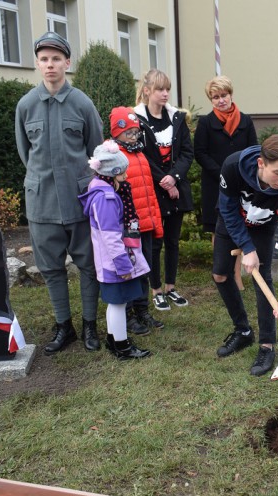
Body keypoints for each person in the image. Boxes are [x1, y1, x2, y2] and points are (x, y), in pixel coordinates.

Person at [15, 31, 103, 354]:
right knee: (51, 267)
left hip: (79, 201)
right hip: (42, 203)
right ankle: (63, 326)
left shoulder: (82, 103)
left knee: (88, 265)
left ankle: (90, 326)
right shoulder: (25, 106)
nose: (50, 65)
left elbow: (96, 152)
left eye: (56, 59)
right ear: (37, 64)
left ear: (67, 62)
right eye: (44, 59)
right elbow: (26, 153)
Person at [212, 135, 278, 376]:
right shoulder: (233, 166)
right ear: (261, 163)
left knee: (262, 278)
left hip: (263, 226)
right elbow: (228, 209)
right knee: (220, 275)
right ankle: (243, 331)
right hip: (232, 221)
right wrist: (246, 247)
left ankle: (267, 344)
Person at [78, 141, 152, 360]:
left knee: (116, 302)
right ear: (113, 173)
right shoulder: (107, 198)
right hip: (114, 263)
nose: (127, 175)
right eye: (123, 171)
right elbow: (110, 237)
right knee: (119, 303)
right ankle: (122, 346)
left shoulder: (100, 188)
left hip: (110, 261)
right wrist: (123, 265)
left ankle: (114, 339)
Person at [133, 69, 194, 312]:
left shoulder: (177, 118)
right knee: (154, 244)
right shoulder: (136, 120)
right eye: (160, 89)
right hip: (152, 191)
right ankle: (156, 290)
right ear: (147, 91)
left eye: (167, 88)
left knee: (173, 242)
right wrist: (165, 182)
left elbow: (187, 153)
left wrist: (174, 178)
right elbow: (140, 157)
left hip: (177, 188)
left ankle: (170, 287)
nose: (165, 93)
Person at [194, 76, 258, 291]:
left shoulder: (246, 121)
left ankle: (236, 276)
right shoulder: (205, 122)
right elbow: (200, 153)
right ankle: (220, 273)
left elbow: (253, 151)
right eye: (215, 97)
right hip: (215, 184)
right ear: (211, 100)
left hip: (242, 185)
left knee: (240, 227)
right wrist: (221, 172)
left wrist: (243, 174)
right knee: (219, 230)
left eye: (224, 95)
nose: (221, 100)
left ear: (231, 95)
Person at [108, 106, 165, 335]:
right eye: (128, 132)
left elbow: (149, 192)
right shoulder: (113, 155)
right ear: (116, 133)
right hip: (127, 226)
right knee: (129, 270)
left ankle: (142, 310)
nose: (133, 136)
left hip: (145, 223)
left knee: (144, 268)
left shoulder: (140, 154)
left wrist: (154, 221)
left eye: (135, 132)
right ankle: (129, 313)